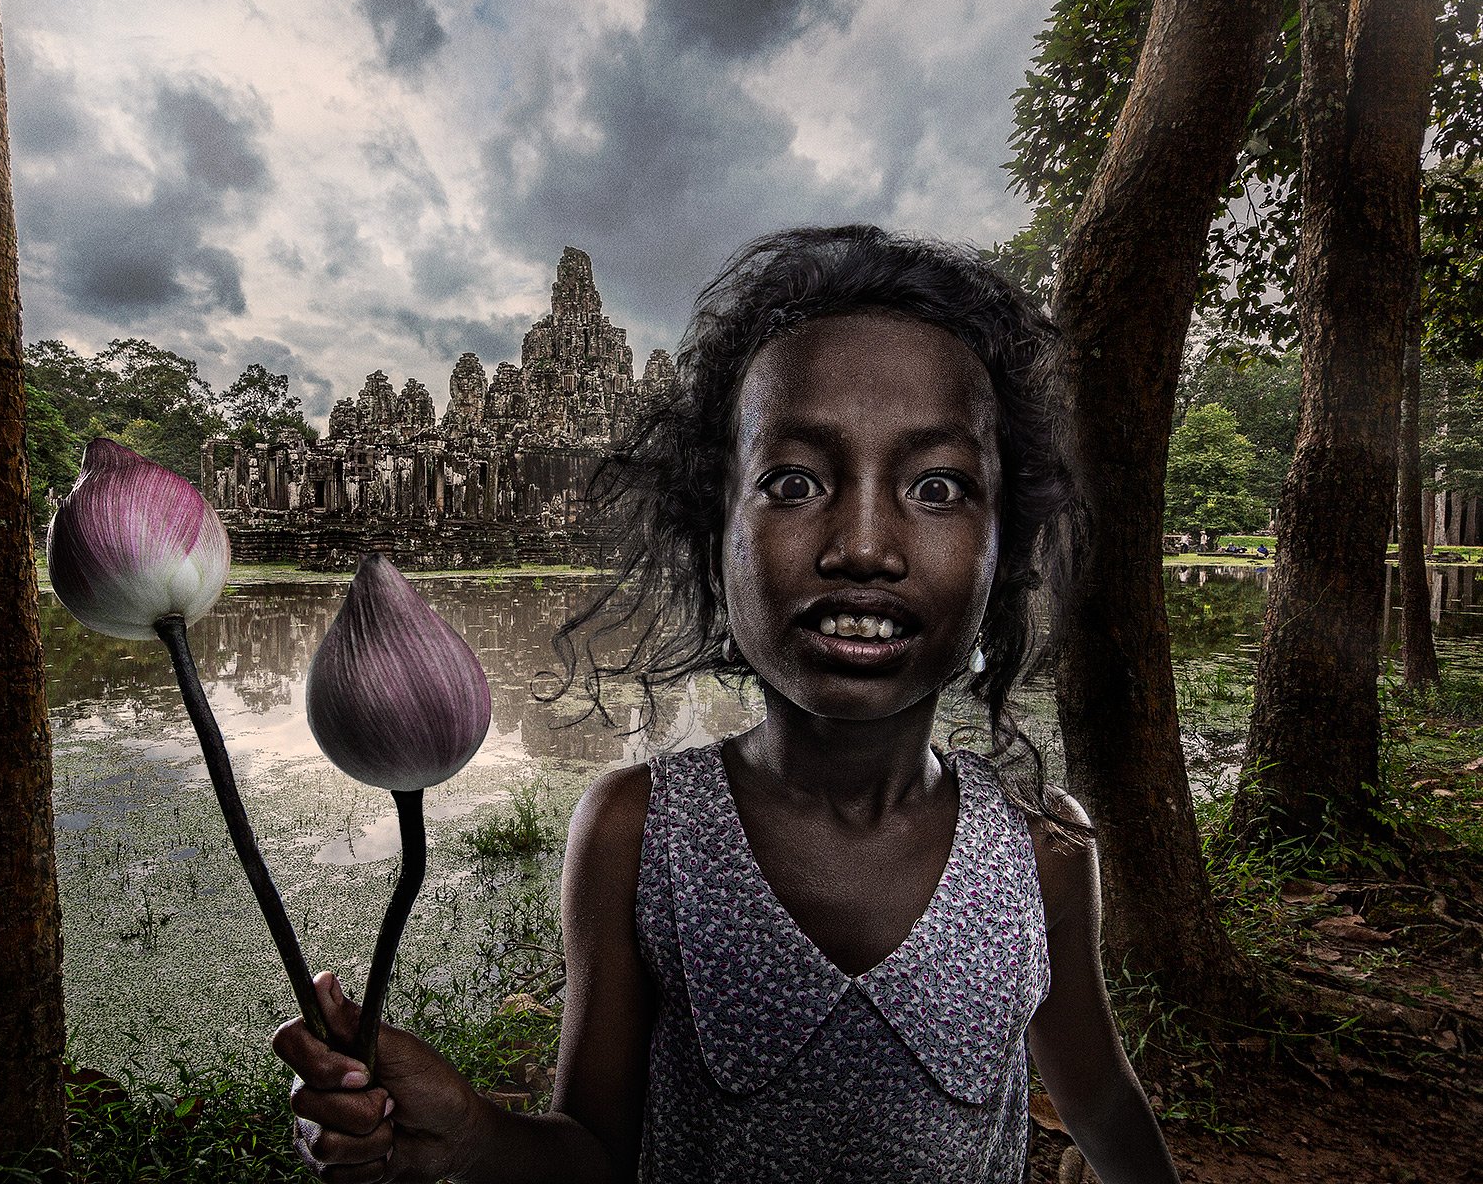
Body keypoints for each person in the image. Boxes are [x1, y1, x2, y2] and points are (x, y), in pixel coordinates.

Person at [274, 225, 1180, 1183]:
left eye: (938, 485)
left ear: (1007, 551)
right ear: (714, 539)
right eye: (793, 483)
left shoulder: (1041, 845)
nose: (864, 544)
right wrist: (466, 1134)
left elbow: (1098, 1098)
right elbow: (591, 1155)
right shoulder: (638, 829)